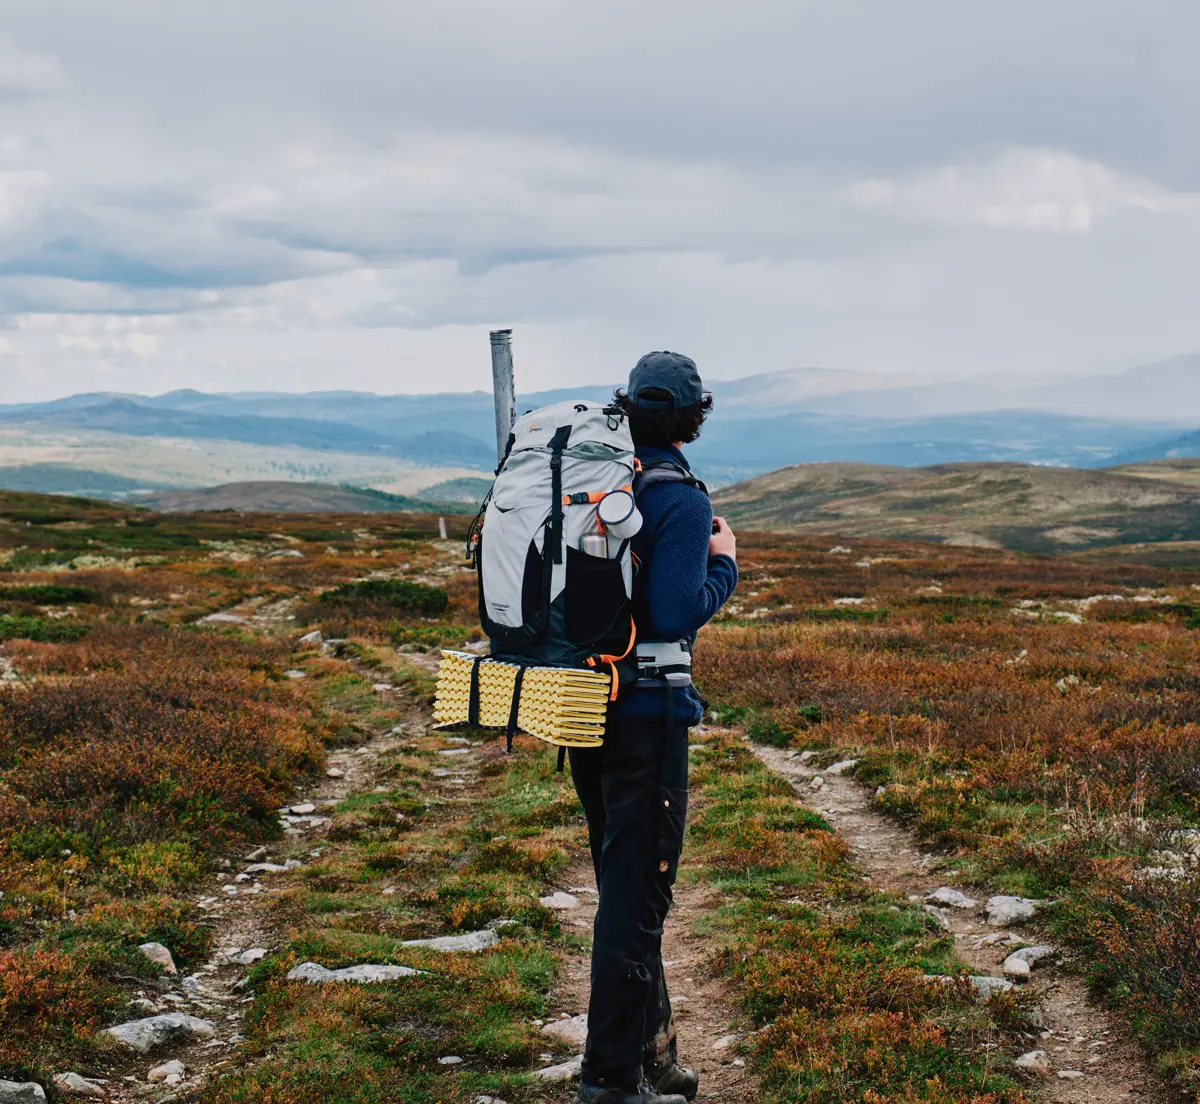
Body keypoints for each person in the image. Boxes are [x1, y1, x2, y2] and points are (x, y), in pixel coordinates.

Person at [570, 351, 739, 1104]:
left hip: (586, 711)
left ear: (627, 407)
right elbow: (673, 612)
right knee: (636, 904)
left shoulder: (597, 483)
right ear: (693, 417)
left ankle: (652, 1056)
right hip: (648, 721)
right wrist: (725, 566)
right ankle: (610, 1081)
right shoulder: (681, 501)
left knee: (624, 890)